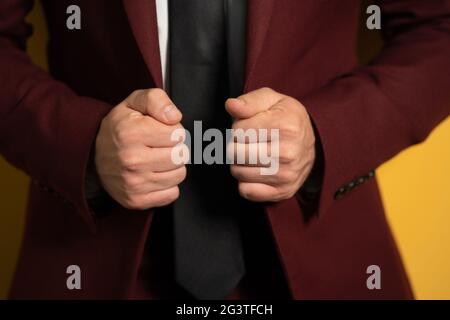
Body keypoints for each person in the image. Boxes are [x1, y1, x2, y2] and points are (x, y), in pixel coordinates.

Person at [1, 0, 449, 299]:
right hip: (93, 258)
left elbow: (440, 28)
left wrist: (324, 134)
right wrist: (83, 142)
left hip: (324, 255)